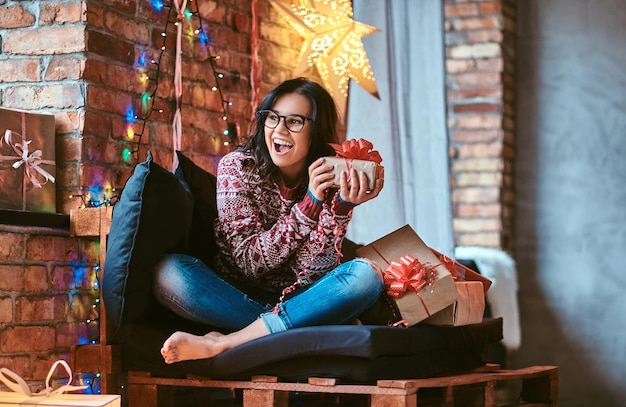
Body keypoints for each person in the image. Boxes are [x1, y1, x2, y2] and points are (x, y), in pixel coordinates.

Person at [154, 77, 385, 364]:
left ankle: (226, 343)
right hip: (237, 294)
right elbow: (251, 263)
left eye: (295, 122)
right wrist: (309, 205)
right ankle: (302, 325)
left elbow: (310, 274)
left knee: (366, 275)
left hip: (300, 295)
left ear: (317, 130)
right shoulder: (236, 168)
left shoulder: (329, 178)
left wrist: (341, 207)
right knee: (169, 273)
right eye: (272, 118)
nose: (279, 129)